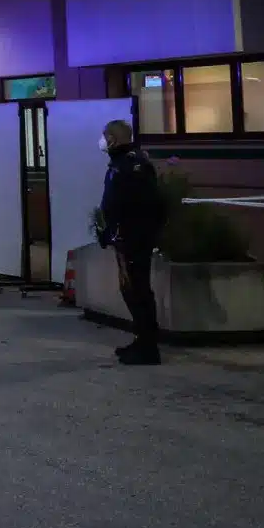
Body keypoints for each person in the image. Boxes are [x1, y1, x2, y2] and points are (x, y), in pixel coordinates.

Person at [96, 120, 167, 365]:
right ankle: (141, 340)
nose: (103, 140)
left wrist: (125, 233)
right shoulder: (122, 163)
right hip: (126, 237)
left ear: (114, 138)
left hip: (134, 238)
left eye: (106, 136)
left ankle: (148, 347)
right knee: (131, 290)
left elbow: (140, 206)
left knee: (138, 291)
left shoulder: (133, 165)